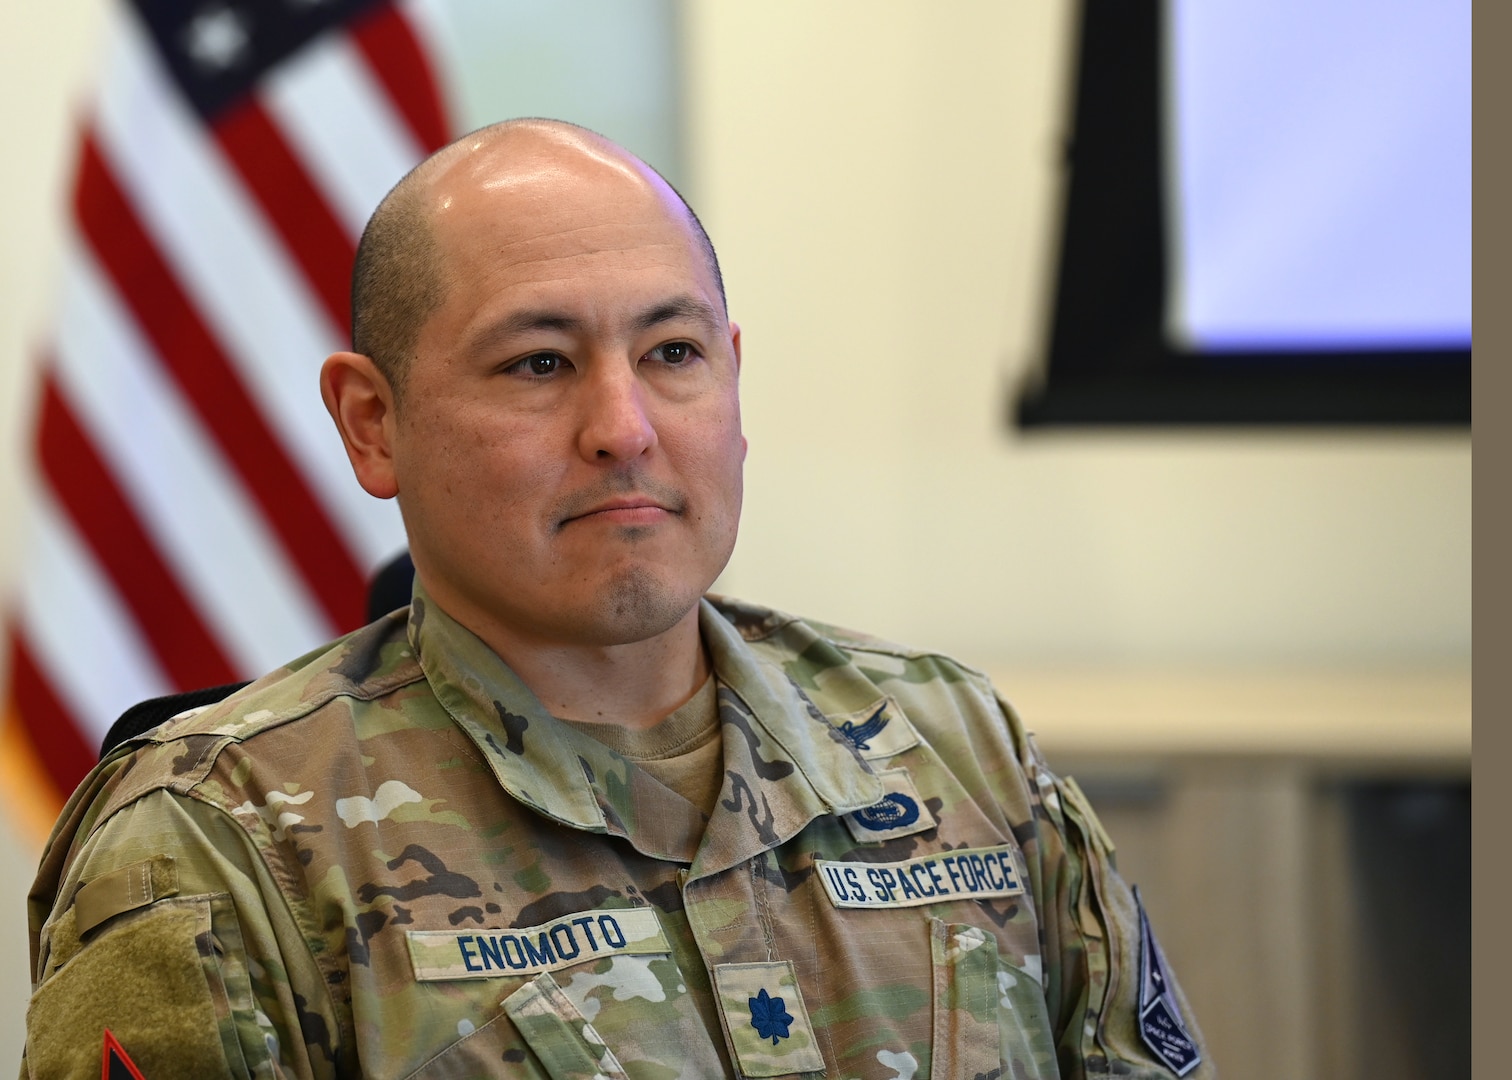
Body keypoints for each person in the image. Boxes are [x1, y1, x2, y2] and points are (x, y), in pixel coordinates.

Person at [24, 119, 1211, 1079]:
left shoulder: (956, 751)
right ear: (372, 424)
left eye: (672, 353)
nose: (624, 429)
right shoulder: (220, 843)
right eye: (538, 363)